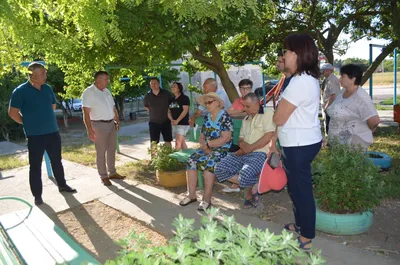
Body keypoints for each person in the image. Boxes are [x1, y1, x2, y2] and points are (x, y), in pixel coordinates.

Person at [271, 34, 322, 251]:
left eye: (286, 51)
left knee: (300, 191)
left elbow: (279, 118)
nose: (284, 55)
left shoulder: (300, 83)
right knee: (296, 188)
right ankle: (300, 224)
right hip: (303, 141)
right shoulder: (307, 79)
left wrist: (276, 113)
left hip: (298, 145)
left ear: (297, 54)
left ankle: (307, 235)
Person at [8, 62, 76, 205]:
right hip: (35, 136)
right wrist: (27, 123)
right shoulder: (20, 91)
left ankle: (62, 185)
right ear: (32, 75)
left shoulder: (47, 89)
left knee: (57, 161)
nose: (45, 75)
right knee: (35, 166)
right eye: (42, 73)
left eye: (45, 72)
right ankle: (37, 196)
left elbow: (52, 106)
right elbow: (13, 113)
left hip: (52, 132)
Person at [215, 93, 275, 208]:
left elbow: (268, 137)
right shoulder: (246, 119)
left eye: (247, 106)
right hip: (243, 152)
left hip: (260, 153)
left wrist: (249, 149)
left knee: (245, 173)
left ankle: (248, 194)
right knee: (219, 168)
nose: (244, 109)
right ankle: (254, 185)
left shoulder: (267, 113)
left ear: (257, 103)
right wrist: (243, 146)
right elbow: (240, 139)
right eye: (244, 106)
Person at [179, 92, 233, 211]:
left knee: (209, 163)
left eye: (209, 102)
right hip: (206, 147)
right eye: (206, 103)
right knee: (191, 160)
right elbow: (202, 136)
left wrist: (208, 145)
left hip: (222, 149)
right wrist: (204, 144)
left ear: (218, 102)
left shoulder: (225, 117)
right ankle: (191, 194)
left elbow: (226, 138)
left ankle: (206, 198)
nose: (207, 105)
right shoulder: (207, 117)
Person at [81, 71, 126, 186]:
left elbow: (113, 107)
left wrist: (117, 120)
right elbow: (86, 113)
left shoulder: (106, 91)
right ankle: (103, 176)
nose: (108, 81)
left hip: (111, 123)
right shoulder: (89, 92)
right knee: (101, 152)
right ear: (98, 79)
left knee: (112, 149)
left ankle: (112, 172)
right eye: (106, 79)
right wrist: (89, 129)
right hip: (98, 125)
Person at [326, 64, 380, 150]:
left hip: (352, 145)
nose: (340, 79)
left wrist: (368, 130)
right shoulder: (343, 91)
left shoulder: (361, 98)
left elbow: (374, 120)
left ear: (353, 79)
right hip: (338, 143)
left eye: (343, 76)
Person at [144, 77, 174, 152]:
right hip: (153, 122)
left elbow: (172, 105)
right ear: (150, 85)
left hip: (166, 121)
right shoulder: (147, 96)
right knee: (154, 142)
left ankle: (169, 158)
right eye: (151, 84)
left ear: (159, 83)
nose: (153, 85)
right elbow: (146, 106)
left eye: (155, 83)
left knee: (168, 141)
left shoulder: (166, 93)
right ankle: (154, 159)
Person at [168, 82, 190, 150]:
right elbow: (168, 111)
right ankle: (187, 158)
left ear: (179, 89)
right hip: (174, 123)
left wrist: (177, 121)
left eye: (174, 86)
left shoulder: (184, 98)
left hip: (182, 123)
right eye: (172, 86)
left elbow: (185, 110)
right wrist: (172, 120)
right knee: (182, 142)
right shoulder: (171, 100)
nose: (172, 88)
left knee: (178, 143)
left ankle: (175, 159)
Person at [320, 63, 341, 135]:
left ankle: (331, 142)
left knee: (330, 126)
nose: (322, 72)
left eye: (323, 71)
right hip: (329, 106)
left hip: (331, 107)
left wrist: (326, 107)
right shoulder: (328, 79)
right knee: (327, 125)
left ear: (329, 71)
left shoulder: (332, 80)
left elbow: (333, 95)